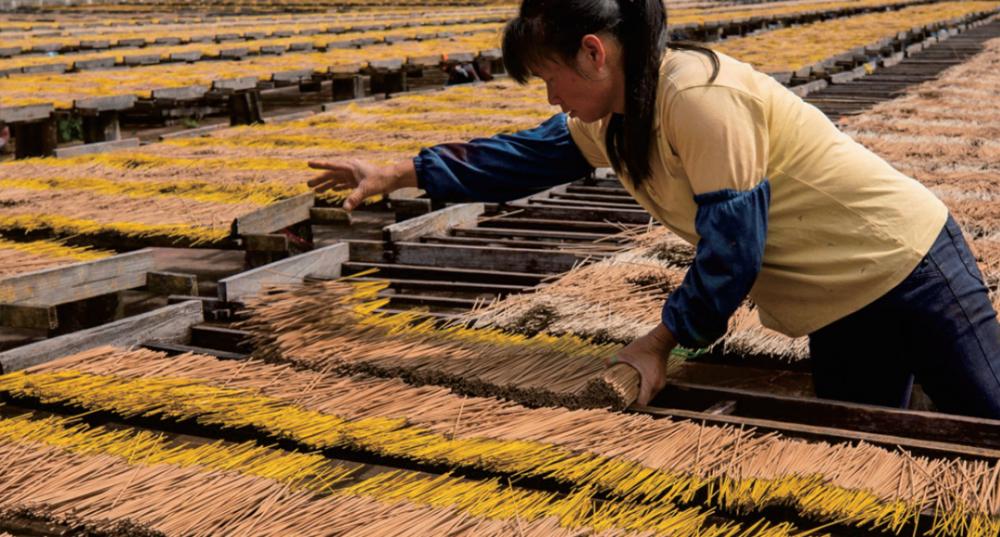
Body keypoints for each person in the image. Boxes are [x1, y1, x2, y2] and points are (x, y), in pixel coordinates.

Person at [308, 0, 1000, 418]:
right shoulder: (611, 115)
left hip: (907, 266)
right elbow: (522, 158)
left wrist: (659, 344)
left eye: (550, 78)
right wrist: (398, 171)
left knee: (986, 422)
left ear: (594, 52)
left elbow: (732, 250)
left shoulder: (699, 98)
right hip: (836, 301)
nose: (550, 97)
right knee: (871, 444)